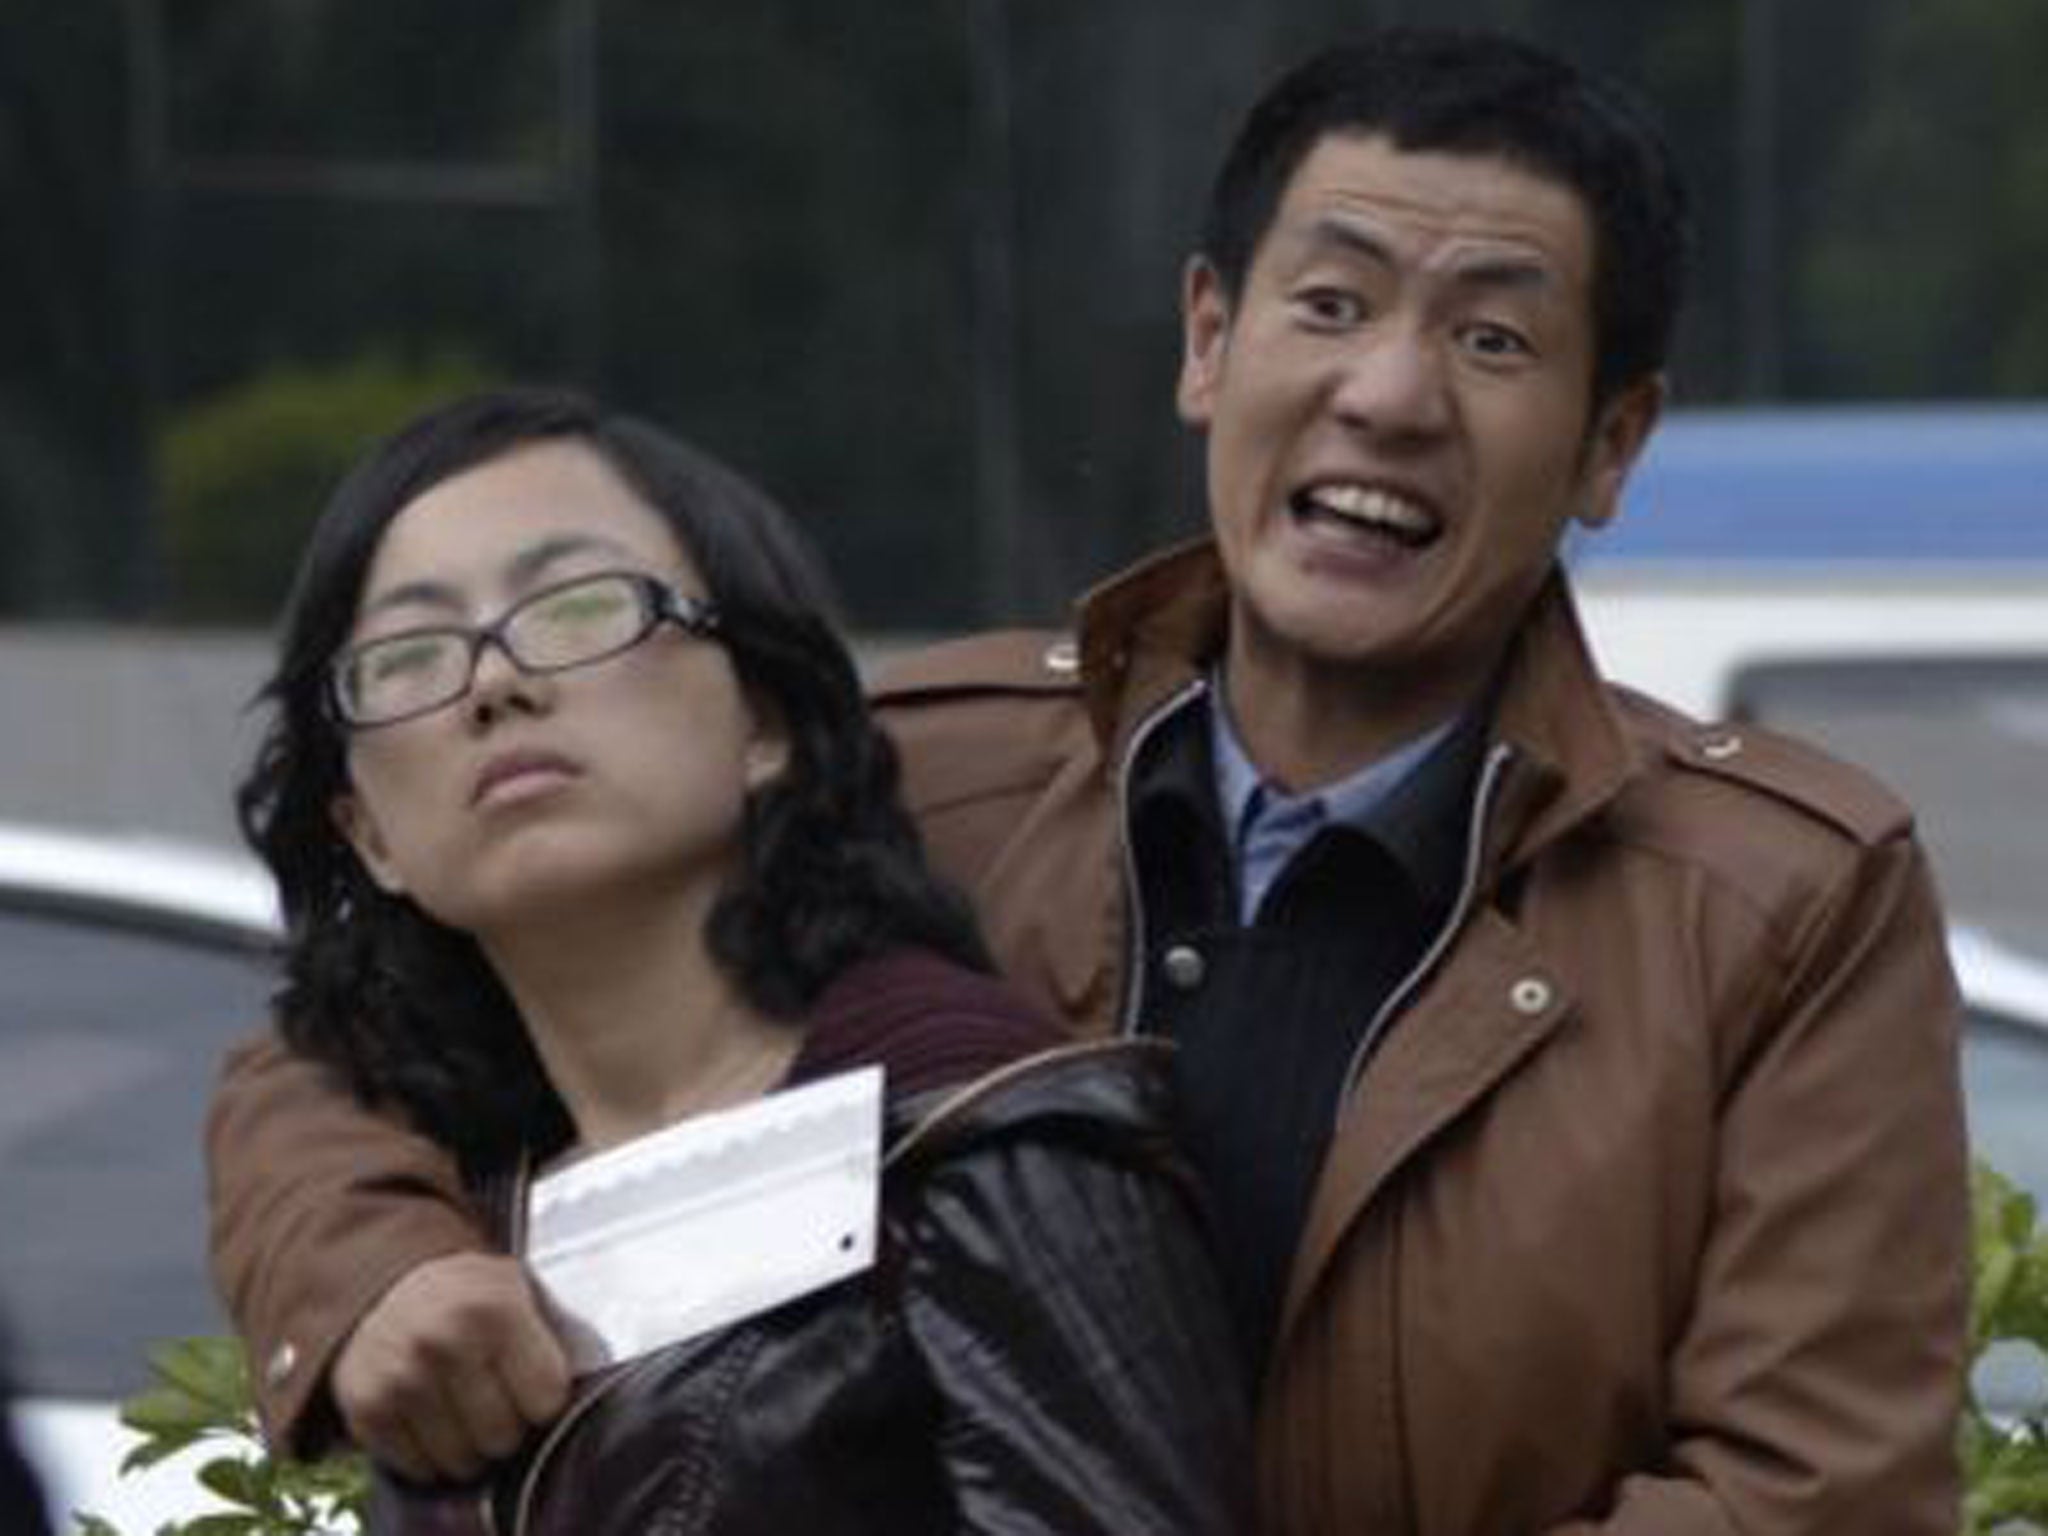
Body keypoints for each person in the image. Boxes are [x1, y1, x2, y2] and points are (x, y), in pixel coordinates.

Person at [208, 27, 1970, 1534]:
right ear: (1208, 341)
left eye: (1492, 342)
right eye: (1328, 302)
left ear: (1610, 444)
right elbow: (380, 1016)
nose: (1386, 393)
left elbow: (1801, 1500)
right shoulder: (943, 767)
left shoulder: (1773, 900)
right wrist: (368, 1269)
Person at [222, 386, 1249, 1533]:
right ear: (371, 835)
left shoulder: (987, 1142)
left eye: (574, 607)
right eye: (410, 657)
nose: (495, 684)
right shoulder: (452, 1226)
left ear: (763, 718)